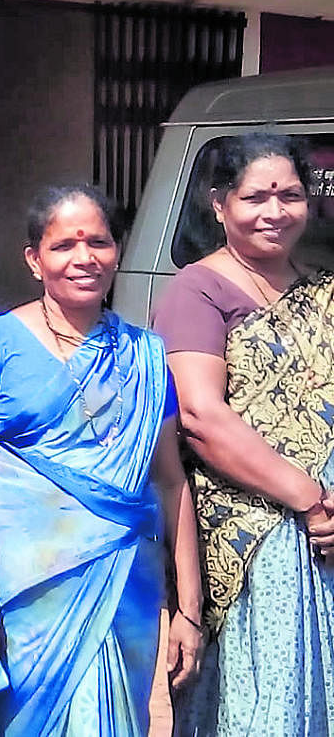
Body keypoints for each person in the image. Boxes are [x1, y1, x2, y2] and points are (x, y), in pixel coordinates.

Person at [0, 184, 203, 736]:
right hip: (24, 601)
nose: (84, 258)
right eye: (65, 244)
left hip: (124, 590)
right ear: (34, 259)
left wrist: (188, 608)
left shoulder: (145, 354)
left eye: (99, 242)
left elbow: (169, 480)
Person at [152, 134, 334, 735]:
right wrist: (308, 499)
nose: (275, 211)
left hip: (329, 522)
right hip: (255, 531)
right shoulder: (198, 290)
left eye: (289, 195)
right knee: (270, 697)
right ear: (219, 204)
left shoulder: (322, 288)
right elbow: (202, 418)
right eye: (256, 197)